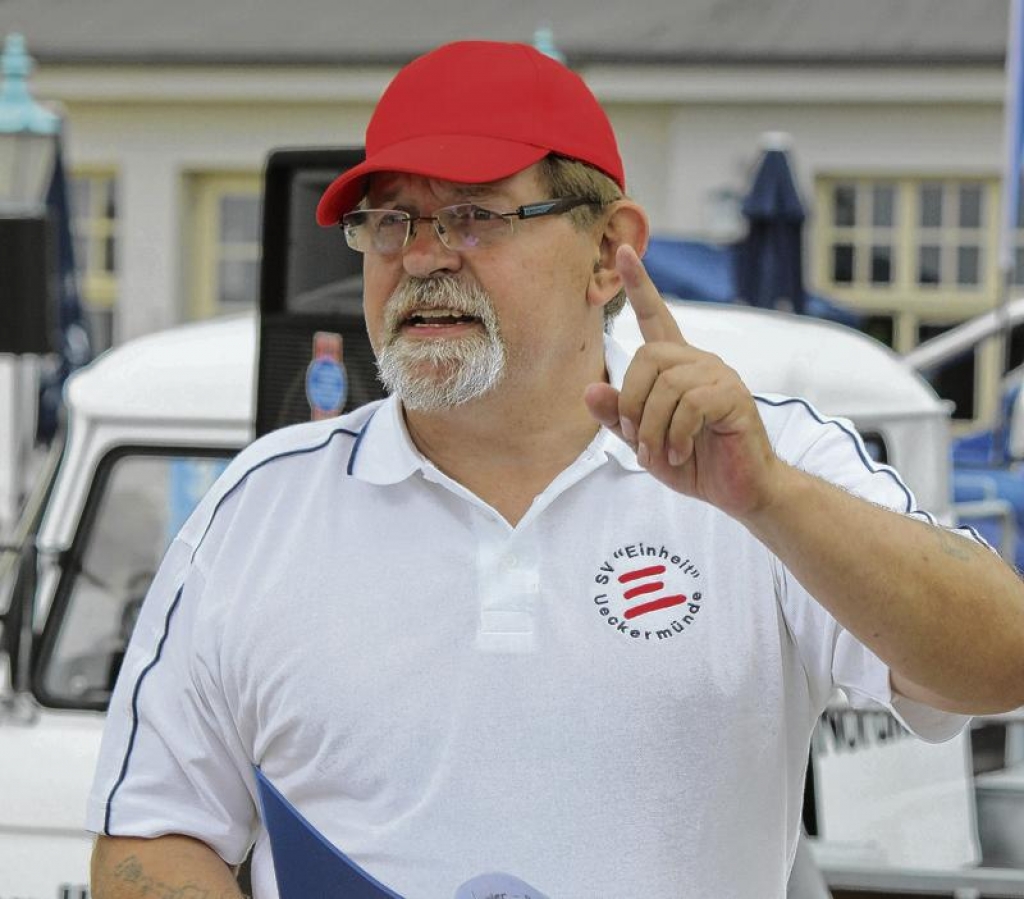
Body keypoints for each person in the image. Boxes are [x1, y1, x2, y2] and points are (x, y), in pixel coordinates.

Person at [87, 40, 1024, 899]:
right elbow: (151, 838)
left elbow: (1002, 661)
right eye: (389, 221)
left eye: (471, 215)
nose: (421, 257)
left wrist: (771, 499)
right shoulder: (260, 510)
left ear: (610, 253)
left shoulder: (768, 462)